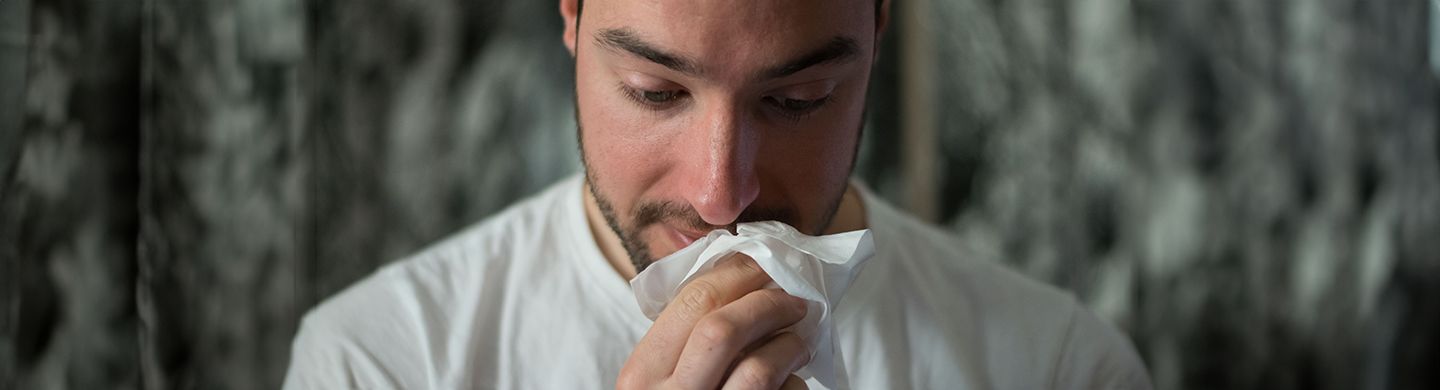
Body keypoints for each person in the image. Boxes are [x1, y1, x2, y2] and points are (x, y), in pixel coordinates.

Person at [283, 0, 1153, 388]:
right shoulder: (378, 365)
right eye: (657, 93)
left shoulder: (1060, 370)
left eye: (796, 101)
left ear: (877, 27)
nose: (720, 195)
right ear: (571, 16)